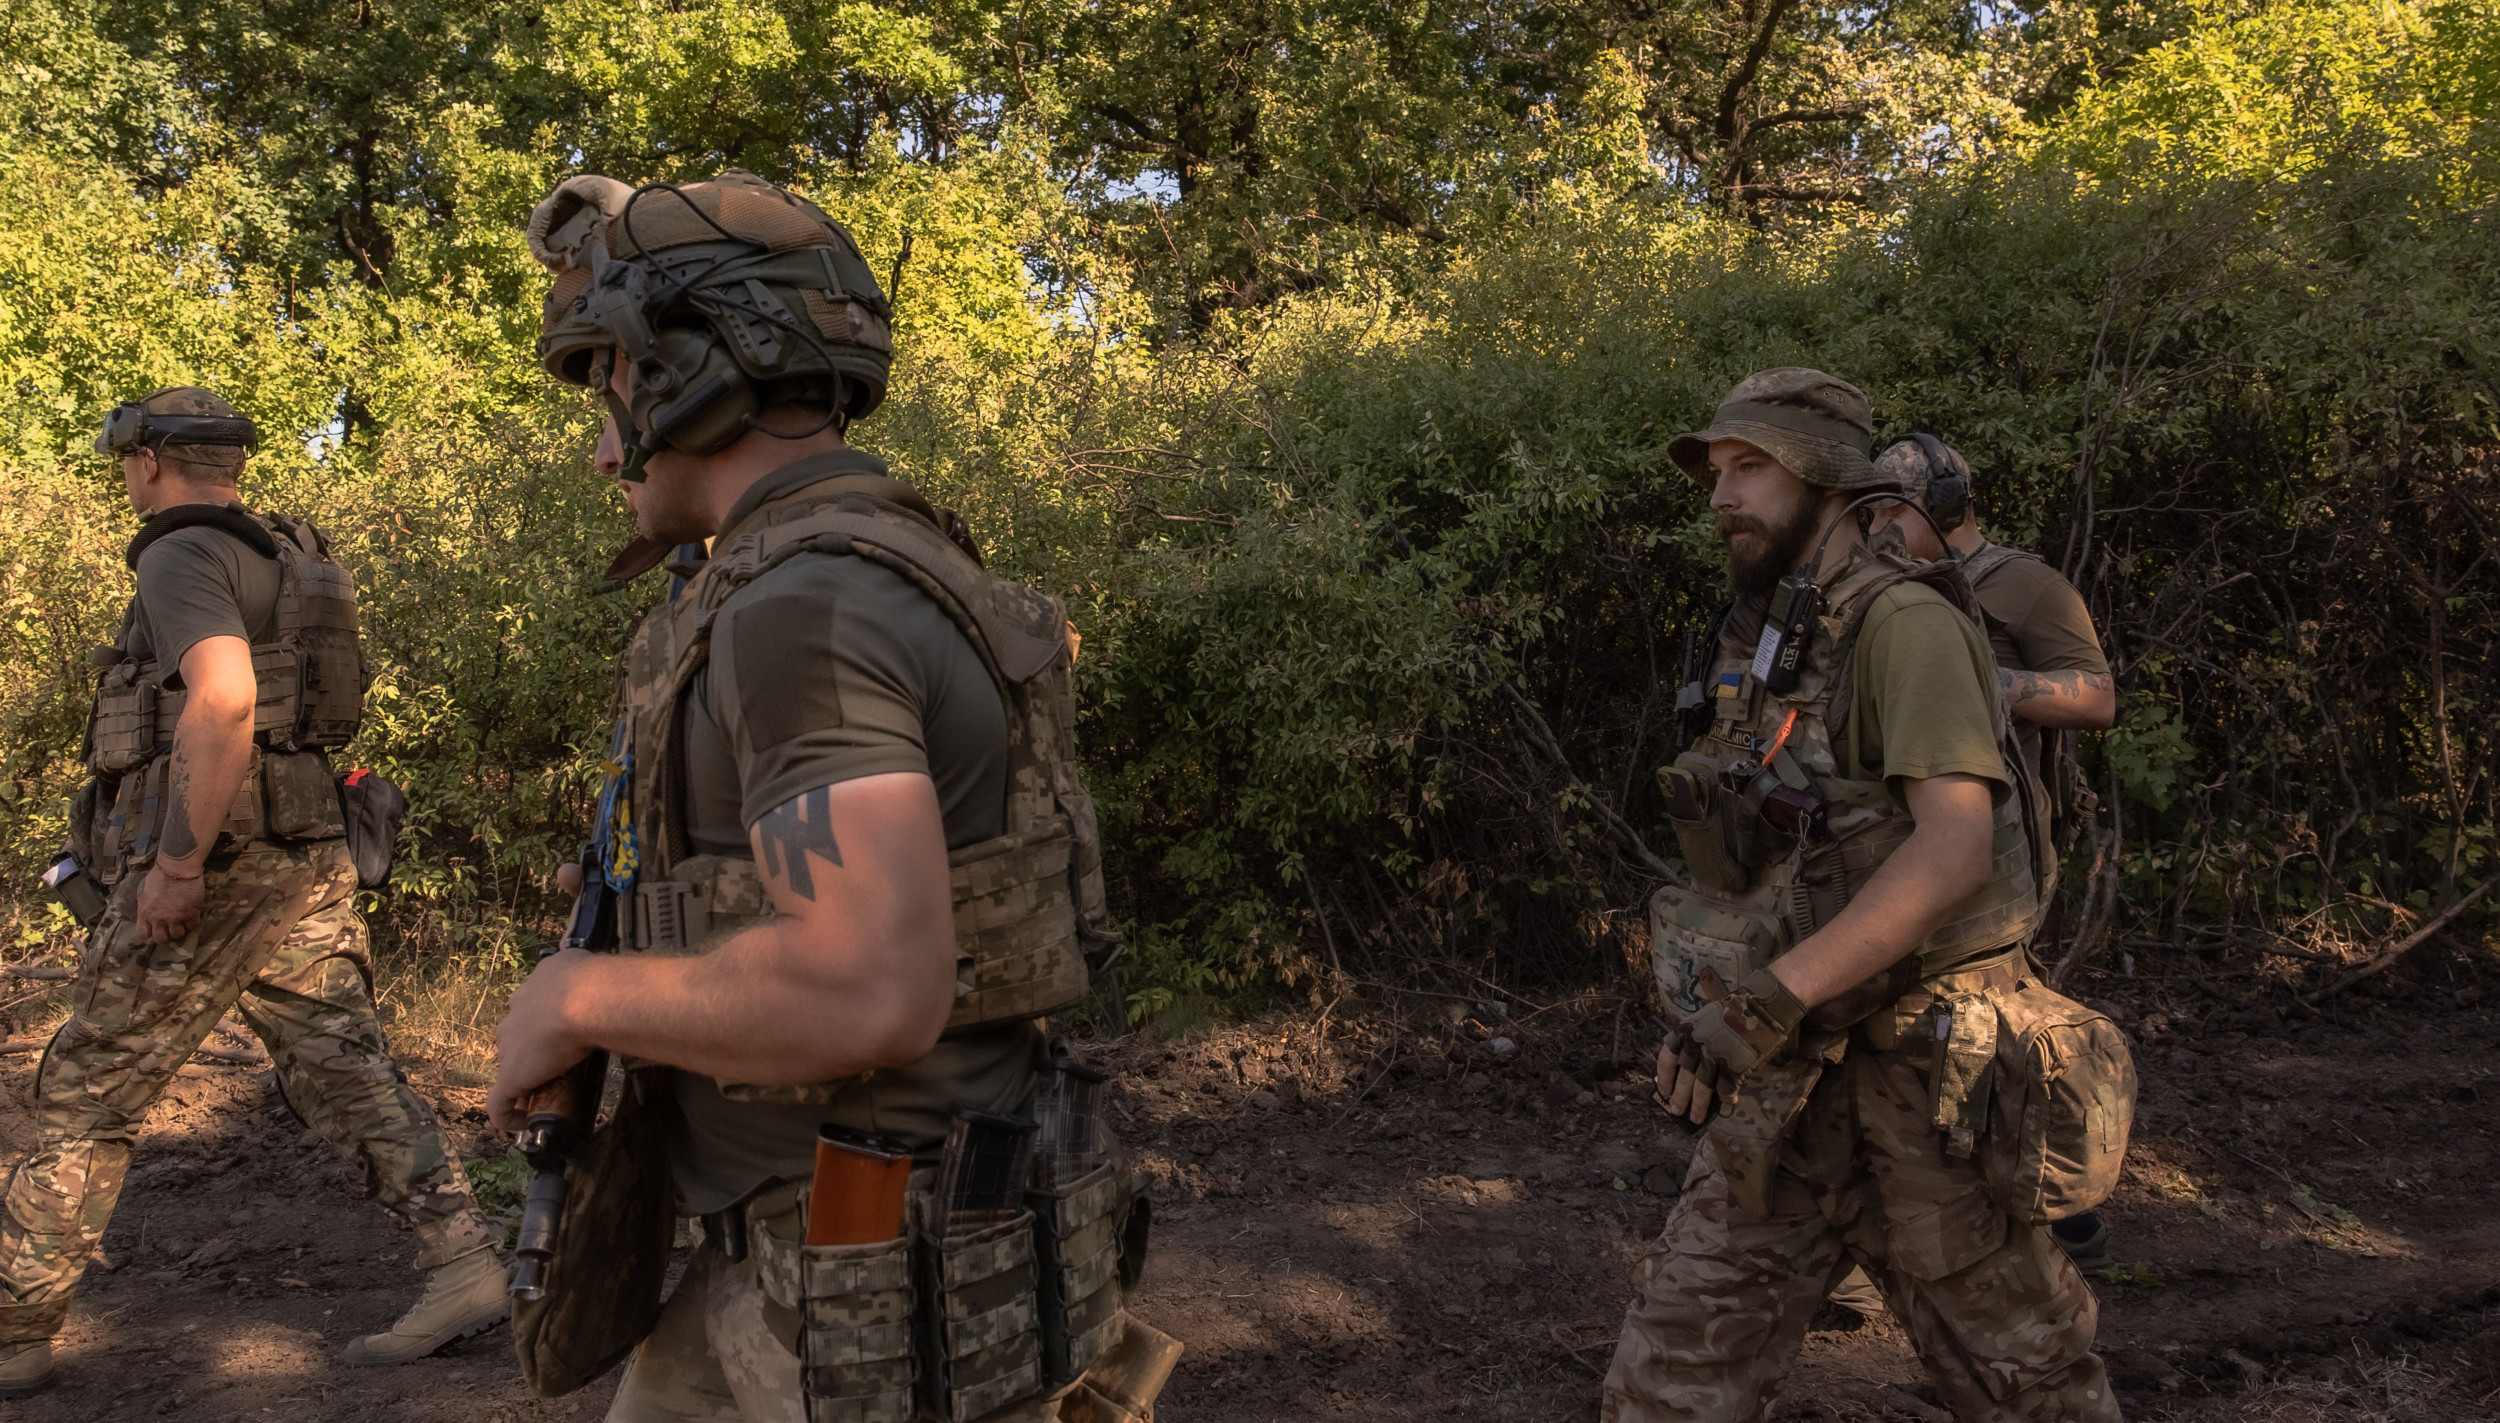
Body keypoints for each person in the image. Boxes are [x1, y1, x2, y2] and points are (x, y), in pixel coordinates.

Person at [489, 171, 1174, 1423]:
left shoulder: (806, 606)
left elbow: (866, 984)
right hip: (808, 1266)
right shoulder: (885, 563)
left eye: (612, 381)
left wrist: (577, 995)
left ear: (690, 371)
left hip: (854, 1303)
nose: (601, 444)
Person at [1611, 369, 2118, 1422]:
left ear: (1827, 480)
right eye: (1715, 471)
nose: (1720, 494)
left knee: (2031, 1394)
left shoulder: (1904, 625)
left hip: (1929, 1087)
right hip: (1792, 1089)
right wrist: (1718, 1001)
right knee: (1667, 1385)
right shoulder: (1772, 631)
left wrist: (1760, 1004)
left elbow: (1950, 855)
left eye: (1749, 467)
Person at [0, 388, 507, 1399]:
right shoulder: (277, 553)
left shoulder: (180, 551)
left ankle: (15, 1326)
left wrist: (176, 868)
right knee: (341, 1067)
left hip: (219, 867)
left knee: (83, 1087)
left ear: (148, 462)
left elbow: (225, 698)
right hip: (303, 851)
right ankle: (463, 1264)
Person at [1867, 434, 2121, 1271]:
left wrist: (1991, 686)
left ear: (1939, 507)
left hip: (2005, 852)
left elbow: (2096, 697)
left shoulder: (2026, 584)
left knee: (1983, 1037)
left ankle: (2052, 1194)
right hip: (1907, 847)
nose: (1879, 528)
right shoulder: (1887, 591)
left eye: (1893, 511)